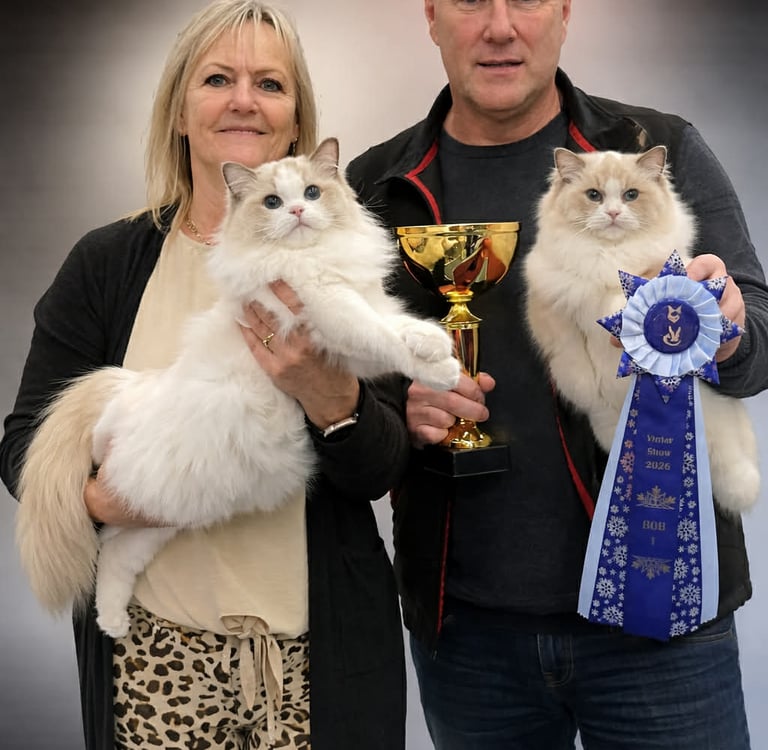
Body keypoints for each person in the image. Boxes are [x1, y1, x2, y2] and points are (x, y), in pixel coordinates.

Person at [346, 1, 768, 748]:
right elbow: (352, 375)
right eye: (472, 0)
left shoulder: (659, 143)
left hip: (662, 613)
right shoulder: (378, 182)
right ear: (433, 15)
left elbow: (760, 337)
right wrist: (398, 406)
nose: (500, 27)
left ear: (565, 12)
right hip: (468, 632)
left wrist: (723, 331)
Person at [0, 2, 408, 748]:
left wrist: (325, 392)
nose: (244, 100)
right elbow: (24, 446)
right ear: (179, 112)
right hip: (154, 657)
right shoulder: (105, 263)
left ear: (295, 121)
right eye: (218, 79)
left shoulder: (347, 262)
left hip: (314, 660)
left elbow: (381, 469)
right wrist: (108, 502)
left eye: (270, 84)